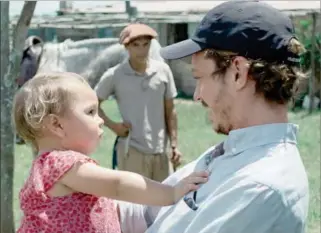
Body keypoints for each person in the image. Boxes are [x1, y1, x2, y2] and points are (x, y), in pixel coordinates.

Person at [115, 1, 309, 233]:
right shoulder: (234, 153)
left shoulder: (259, 187)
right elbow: (147, 213)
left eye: (200, 77)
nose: (197, 95)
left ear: (238, 73)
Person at [13, 72, 209, 233]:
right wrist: (171, 193)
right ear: (57, 125)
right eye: (90, 112)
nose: (100, 120)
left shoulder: (46, 168)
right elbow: (118, 186)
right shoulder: (61, 163)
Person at [95, 23, 182, 182]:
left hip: (161, 150)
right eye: (136, 45)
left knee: (165, 202)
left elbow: (170, 111)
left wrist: (174, 145)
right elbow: (93, 104)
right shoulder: (115, 75)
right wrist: (114, 126)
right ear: (126, 47)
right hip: (131, 150)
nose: (142, 50)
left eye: (146, 44)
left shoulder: (163, 71)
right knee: (135, 204)